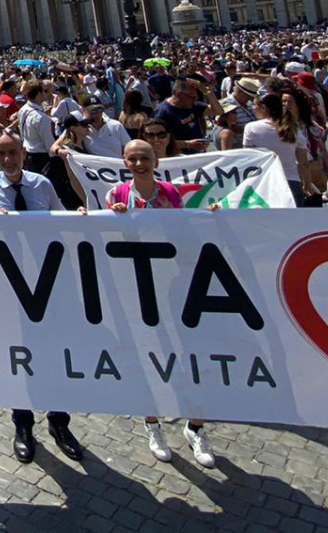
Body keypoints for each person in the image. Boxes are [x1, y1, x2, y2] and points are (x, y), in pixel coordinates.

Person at [98, 139, 217, 467]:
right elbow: (105, 238)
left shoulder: (172, 193)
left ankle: (195, 426)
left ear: (156, 161)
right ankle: (153, 423)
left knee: (189, 352)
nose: (139, 164)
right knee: (146, 352)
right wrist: (114, 219)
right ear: (124, 162)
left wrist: (214, 219)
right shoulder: (116, 196)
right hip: (135, 286)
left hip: (174, 283)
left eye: (144, 158)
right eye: (132, 159)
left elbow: (187, 230)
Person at [0, 132, 85, 465]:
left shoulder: (41, 185)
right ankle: (22, 423)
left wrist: (81, 216)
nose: (8, 159)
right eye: (1, 153)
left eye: (13, 152)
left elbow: (61, 220)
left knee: (53, 350)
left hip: (47, 281)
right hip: (10, 285)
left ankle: (59, 421)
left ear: (23, 153)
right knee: (17, 355)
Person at [243, 87, 313, 206]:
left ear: (263, 108)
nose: (253, 109)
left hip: (264, 182)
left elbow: (249, 156)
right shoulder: (293, 128)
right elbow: (304, 163)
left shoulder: (251, 128)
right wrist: (307, 184)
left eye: (255, 106)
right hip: (291, 181)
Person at [152, 79, 209, 153]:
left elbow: (219, 111)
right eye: (192, 97)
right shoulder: (162, 113)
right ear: (179, 94)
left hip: (197, 154)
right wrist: (188, 144)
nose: (194, 100)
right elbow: (157, 141)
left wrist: (207, 92)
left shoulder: (191, 105)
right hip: (179, 158)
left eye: (196, 97)